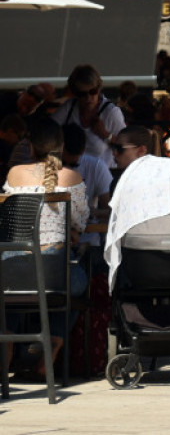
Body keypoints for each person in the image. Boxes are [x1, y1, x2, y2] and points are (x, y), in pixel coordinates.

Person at [4, 118, 89, 377]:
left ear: (30, 146)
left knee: (13, 295)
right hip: (53, 277)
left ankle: (7, 339)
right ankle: (54, 338)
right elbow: (81, 222)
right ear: (61, 147)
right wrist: (71, 232)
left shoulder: (14, 173)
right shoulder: (71, 176)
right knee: (79, 279)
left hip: (10, 273)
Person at [105, 125, 170, 289]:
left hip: (140, 266)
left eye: (119, 149)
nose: (114, 153)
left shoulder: (123, 182)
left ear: (141, 151)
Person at [50, 64, 125, 170]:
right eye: (82, 94)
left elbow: (126, 145)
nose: (88, 98)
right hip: (71, 172)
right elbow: (48, 130)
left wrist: (106, 135)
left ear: (99, 89)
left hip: (100, 173)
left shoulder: (111, 112)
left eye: (92, 92)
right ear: (75, 93)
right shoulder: (70, 107)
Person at [61, 123, 112, 269]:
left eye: (73, 163)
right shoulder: (46, 168)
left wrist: (91, 212)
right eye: (64, 163)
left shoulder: (96, 166)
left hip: (87, 241)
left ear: (83, 151)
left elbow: (109, 210)